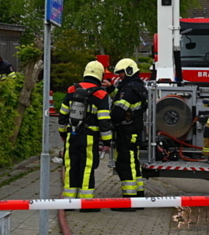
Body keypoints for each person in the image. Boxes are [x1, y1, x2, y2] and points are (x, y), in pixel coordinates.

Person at [58, 61, 113, 209]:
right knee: (87, 166)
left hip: (71, 135)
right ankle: (86, 202)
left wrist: (63, 133)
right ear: (100, 75)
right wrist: (107, 141)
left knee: (70, 165)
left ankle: (69, 201)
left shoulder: (71, 90)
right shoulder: (101, 94)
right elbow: (104, 120)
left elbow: (63, 114)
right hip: (89, 136)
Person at [109, 59, 148, 211]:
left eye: (121, 73)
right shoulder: (138, 87)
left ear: (129, 71)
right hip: (134, 129)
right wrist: (112, 89)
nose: (119, 76)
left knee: (126, 162)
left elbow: (119, 111)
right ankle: (138, 196)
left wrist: (109, 122)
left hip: (126, 131)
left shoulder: (129, 89)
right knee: (133, 161)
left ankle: (129, 201)